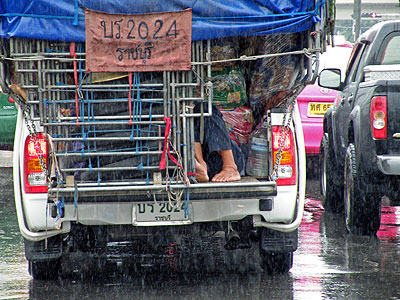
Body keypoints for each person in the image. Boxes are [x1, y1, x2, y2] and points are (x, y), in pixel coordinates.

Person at [194, 103, 245, 183]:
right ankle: (200, 168)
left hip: (220, 161)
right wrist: (200, 163)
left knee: (205, 108)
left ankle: (230, 167)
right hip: (197, 168)